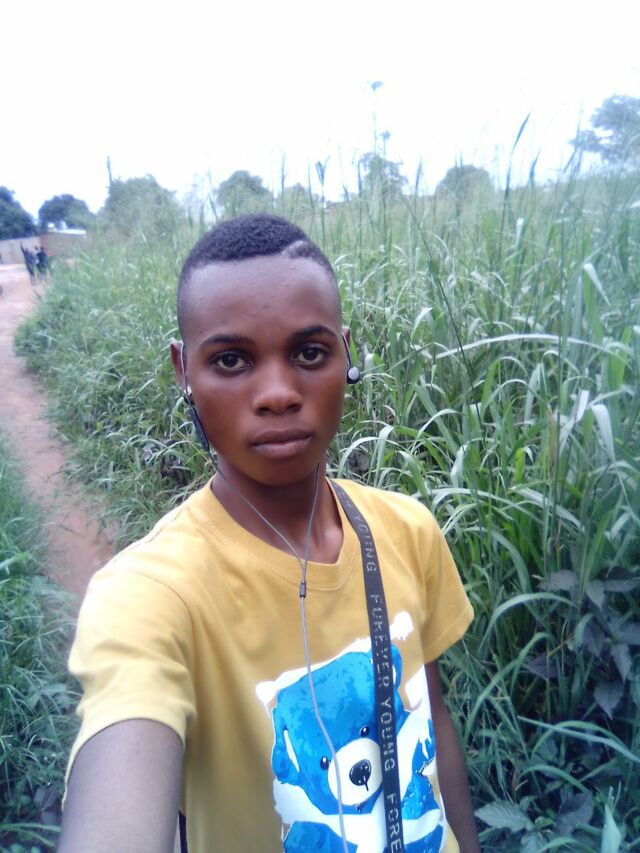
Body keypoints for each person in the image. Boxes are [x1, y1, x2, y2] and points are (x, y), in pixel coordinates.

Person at [59, 214, 480, 853]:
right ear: (183, 370)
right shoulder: (150, 595)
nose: (279, 394)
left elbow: (432, 721)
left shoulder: (409, 531)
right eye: (231, 360)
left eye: (309, 353)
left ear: (346, 355)